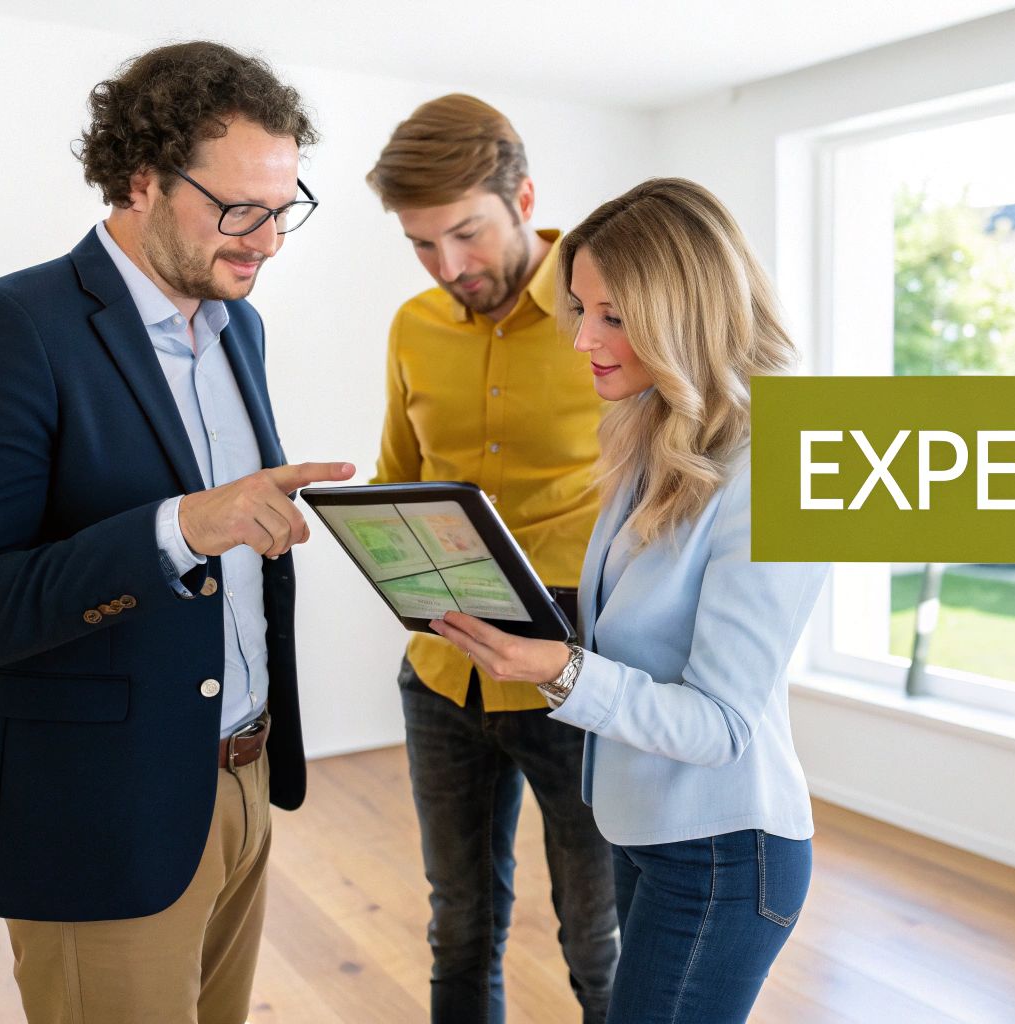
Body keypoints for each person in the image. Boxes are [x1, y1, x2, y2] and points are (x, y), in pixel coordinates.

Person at [0, 41, 352, 1024]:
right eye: (238, 210)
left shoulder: (240, 327)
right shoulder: (4, 329)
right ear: (141, 178)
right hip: (98, 810)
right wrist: (178, 528)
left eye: (285, 209)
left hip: (241, 779)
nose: (267, 241)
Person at [428, 177, 830, 1023]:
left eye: (611, 315)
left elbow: (719, 726)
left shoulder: (777, 467)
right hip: (643, 831)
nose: (582, 341)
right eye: (580, 309)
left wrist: (563, 671)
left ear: (683, 312)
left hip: (723, 855)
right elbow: (637, 634)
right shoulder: (653, 436)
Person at [363, 94, 617, 1023]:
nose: (449, 266)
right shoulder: (412, 326)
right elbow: (398, 478)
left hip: (577, 665)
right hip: (444, 668)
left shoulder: (610, 317)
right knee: (460, 926)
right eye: (423, 245)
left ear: (525, 199)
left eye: (465, 234)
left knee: (599, 936)